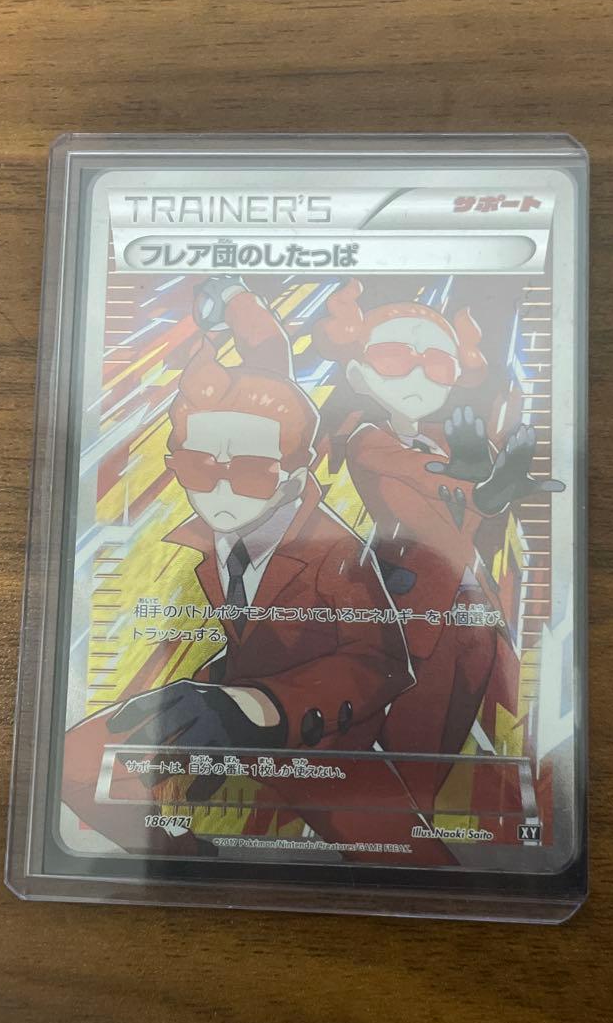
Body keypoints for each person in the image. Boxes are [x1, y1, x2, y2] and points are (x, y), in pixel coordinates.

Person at [62, 277, 457, 864]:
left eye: (249, 473)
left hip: (315, 737)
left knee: (414, 865)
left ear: (296, 477)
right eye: (198, 467)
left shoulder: (335, 554)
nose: (220, 491)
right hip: (223, 698)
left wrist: (256, 711)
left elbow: (382, 665)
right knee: (76, 761)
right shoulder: (220, 529)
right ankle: (183, 868)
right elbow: (267, 361)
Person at [310, 278, 563, 814]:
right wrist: (484, 486)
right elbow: (424, 475)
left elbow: (473, 500)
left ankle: (515, 821)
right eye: (394, 357)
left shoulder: (451, 439)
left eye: (438, 364)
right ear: (358, 374)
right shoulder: (369, 439)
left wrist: (493, 479)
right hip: (415, 611)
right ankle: (398, 830)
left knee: (505, 725)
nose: (419, 375)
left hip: (475, 604)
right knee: (417, 740)